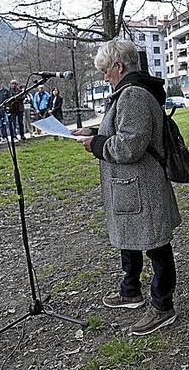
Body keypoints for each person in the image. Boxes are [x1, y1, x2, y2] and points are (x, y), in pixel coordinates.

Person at [73, 39, 181, 336]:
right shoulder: (129, 92)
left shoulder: (133, 95)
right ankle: (131, 290)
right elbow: (121, 130)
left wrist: (95, 145)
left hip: (141, 187)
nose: (104, 77)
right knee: (132, 238)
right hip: (131, 186)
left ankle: (163, 306)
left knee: (156, 244)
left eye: (106, 70)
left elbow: (130, 145)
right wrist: (94, 131)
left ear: (119, 67)